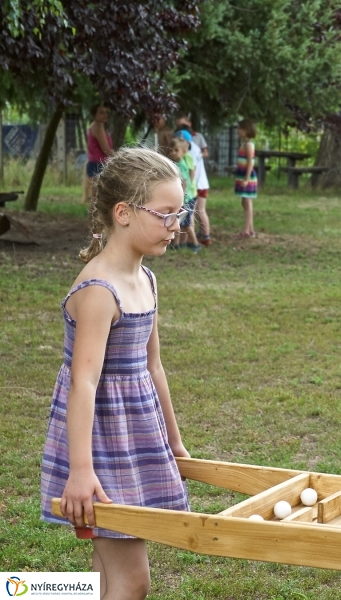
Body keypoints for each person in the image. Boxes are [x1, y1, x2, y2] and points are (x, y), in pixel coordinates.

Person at [40, 147, 190, 599]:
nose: (175, 225)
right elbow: (83, 383)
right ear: (123, 213)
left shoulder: (145, 279)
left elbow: (152, 365)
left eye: (179, 213)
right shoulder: (99, 290)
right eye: (164, 214)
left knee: (108, 577)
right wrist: (81, 472)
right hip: (101, 448)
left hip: (136, 439)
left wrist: (174, 441)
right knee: (132, 581)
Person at [175, 115, 212, 246]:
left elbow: (192, 170)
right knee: (194, 213)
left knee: (198, 211)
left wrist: (188, 185)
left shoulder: (190, 152)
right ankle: (193, 238)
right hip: (197, 184)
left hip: (197, 185)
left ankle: (204, 236)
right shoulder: (193, 149)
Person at [169, 134, 200, 252]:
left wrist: (182, 196)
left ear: (183, 152)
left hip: (186, 199)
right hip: (185, 198)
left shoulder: (181, 164)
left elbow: (184, 182)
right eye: (171, 150)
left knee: (186, 224)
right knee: (179, 221)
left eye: (176, 150)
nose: (173, 152)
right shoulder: (177, 164)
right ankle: (176, 244)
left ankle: (195, 243)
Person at [84, 104, 114, 203]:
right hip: (98, 164)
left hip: (98, 163)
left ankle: (94, 218)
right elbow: (106, 150)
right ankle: (93, 218)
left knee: (97, 197)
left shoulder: (98, 126)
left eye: (106, 112)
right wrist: (120, 157)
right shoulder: (97, 127)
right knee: (97, 198)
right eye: (101, 112)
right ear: (94, 114)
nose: (105, 115)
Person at [234, 118, 258, 238]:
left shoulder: (248, 145)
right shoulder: (244, 144)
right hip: (242, 175)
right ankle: (250, 229)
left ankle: (246, 230)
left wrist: (247, 179)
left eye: (240, 129)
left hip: (247, 177)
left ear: (246, 130)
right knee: (245, 202)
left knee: (247, 202)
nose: (238, 131)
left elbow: (250, 163)